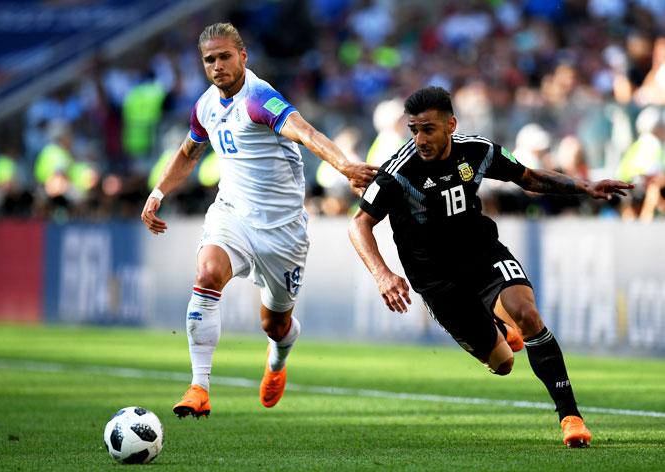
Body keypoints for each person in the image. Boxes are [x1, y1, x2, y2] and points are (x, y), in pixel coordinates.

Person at [348, 86, 633, 448]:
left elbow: (527, 177)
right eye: (414, 129)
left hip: (484, 257)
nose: (420, 138)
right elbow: (359, 223)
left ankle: (570, 417)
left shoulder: (477, 151)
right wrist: (382, 273)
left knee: (527, 314)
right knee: (503, 363)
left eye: (429, 129)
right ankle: (497, 328)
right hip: (437, 281)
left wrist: (584, 186)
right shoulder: (399, 172)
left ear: (451, 124)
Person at [141, 22, 376, 418]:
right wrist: (158, 192)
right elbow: (186, 153)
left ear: (243, 56)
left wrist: (346, 167)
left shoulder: (259, 98)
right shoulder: (205, 107)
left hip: (282, 232)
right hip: (232, 215)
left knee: (275, 324)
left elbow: (305, 132)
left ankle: (279, 357)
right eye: (209, 60)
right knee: (208, 274)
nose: (217, 66)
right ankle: (199, 386)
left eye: (224, 57)